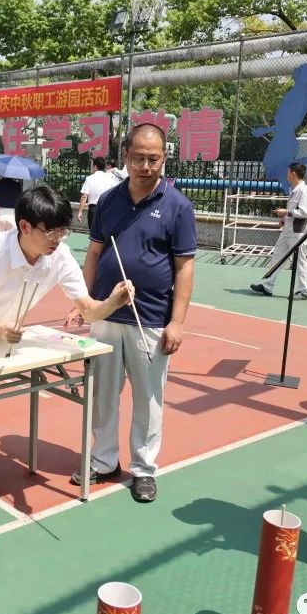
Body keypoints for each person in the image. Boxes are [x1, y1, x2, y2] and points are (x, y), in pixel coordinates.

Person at [0, 186, 134, 506]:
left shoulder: (59, 256)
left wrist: (113, 302)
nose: (58, 239)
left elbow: (89, 310)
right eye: (51, 232)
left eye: (63, 231)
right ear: (25, 226)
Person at [66, 124, 197, 504]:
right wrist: (83, 303)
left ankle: (144, 469)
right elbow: (94, 254)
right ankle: (104, 460)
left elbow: (185, 267)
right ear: (125, 157)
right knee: (102, 395)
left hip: (151, 319)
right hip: (106, 315)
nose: (145, 166)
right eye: (138, 158)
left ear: (164, 158)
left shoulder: (178, 206)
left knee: (149, 400)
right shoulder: (108, 201)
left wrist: (177, 322)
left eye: (153, 159)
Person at [249, 162, 307, 300]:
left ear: (293, 173)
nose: (287, 175)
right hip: (288, 231)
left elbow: (305, 212)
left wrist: (287, 212)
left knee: (300, 260)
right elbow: (294, 211)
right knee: (277, 257)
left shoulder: (304, 191)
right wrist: (285, 218)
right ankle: (267, 285)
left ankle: (304, 290)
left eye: (288, 172)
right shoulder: (295, 190)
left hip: (298, 233)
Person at [77, 156, 119, 232]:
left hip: (93, 209)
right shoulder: (111, 179)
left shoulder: (90, 179)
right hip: (107, 208)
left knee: (93, 233)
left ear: (95, 167)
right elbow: (115, 195)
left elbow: (84, 196)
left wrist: (80, 211)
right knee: (105, 232)